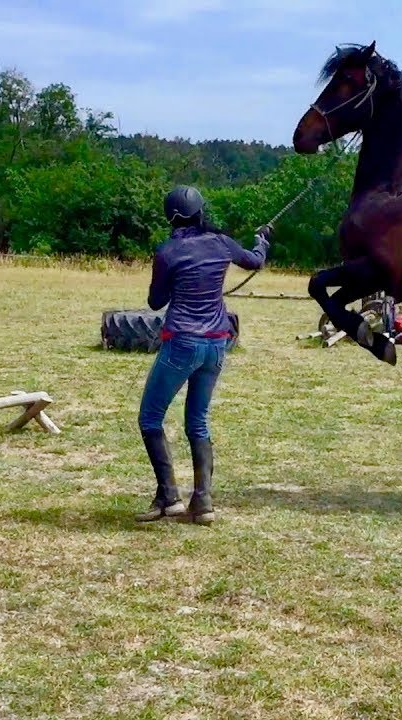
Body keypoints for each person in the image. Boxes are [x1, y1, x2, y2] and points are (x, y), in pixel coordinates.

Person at [135, 185, 271, 525]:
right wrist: (262, 240)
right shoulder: (222, 242)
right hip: (217, 343)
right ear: (200, 212)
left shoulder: (167, 251)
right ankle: (203, 502)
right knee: (197, 421)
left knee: (150, 418)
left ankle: (169, 496)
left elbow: (155, 302)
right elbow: (255, 260)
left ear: (170, 217)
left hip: (182, 341)